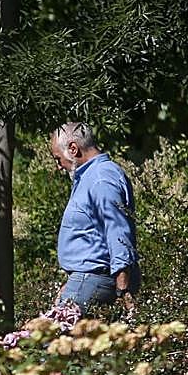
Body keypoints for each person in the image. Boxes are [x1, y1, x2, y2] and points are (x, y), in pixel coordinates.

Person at [49, 122, 140, 315]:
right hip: (87, 279)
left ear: (73, 148)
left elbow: (118, 231)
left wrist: (123, 289)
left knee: (50, 340)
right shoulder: (89, 177)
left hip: (95, 278)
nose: (58, 167)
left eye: (58, 159)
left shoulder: (101, 178)